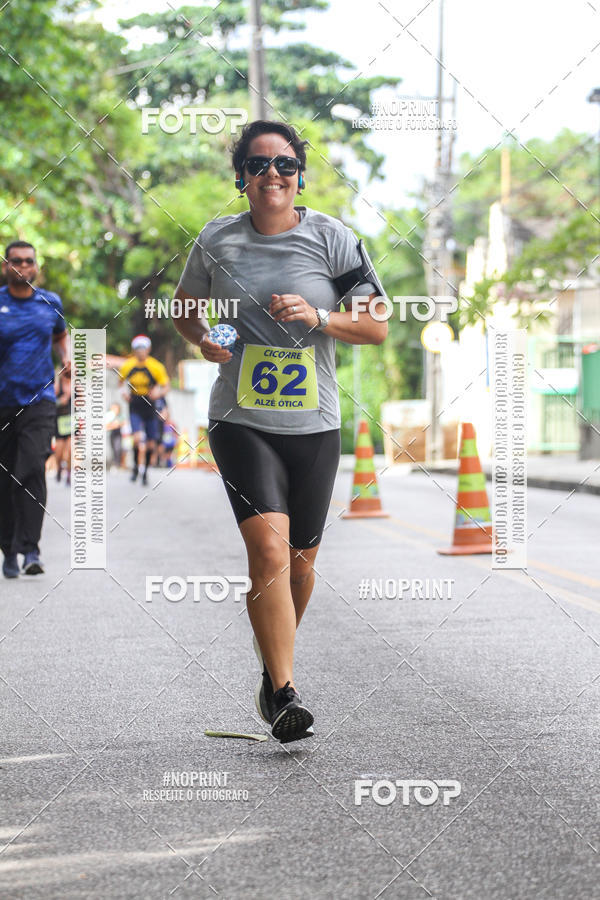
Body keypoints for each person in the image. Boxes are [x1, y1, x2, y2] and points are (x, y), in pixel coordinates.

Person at [174, 120, 387, 743]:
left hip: (314, 424)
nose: (273, 175)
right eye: (259, 164)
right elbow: (186, 310)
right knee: (268, 551)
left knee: (299, 563)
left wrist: (321, 315)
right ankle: (288, 691)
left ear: (301, 176)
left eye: (286, 165)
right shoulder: (216, 240)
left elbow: (376, 325)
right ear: (240, 177)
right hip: (241, 421)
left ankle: (271, 679)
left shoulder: (333, 238)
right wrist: (205, 338)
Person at [0, 240, 71, 577]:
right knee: (4, 477)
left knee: (30, 470)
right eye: (17, 261)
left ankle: (30, 549)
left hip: (39, 401)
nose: (24, 267)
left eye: (29, 261)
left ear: (36, 265)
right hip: (2, 402)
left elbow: (60, 337)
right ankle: (8, 550)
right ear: (6, 266)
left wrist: (67, 358)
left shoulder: (50, 302)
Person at [118, 336, 169, 485]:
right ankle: (135, 467)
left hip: (150, 405)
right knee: (137, 438)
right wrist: (124, 394)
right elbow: (120, 382)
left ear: (148, 349)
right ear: (134, 350)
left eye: (143, 348)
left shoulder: (156, 366)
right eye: (138, 349)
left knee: (151, 443)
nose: (141, 352)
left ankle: (145, 471)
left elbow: (166, 386)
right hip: (135, 404)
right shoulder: (128, 365)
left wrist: (158, 393)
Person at [54, 368, 72, 485]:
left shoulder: (76, 386)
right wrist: (61, 401)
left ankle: (69, 475)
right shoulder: (57, 386)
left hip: (71, 420)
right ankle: (59, 468)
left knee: (70, 450)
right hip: (59, 421)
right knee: (59, 452)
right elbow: (51, 401)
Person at [105, 402, 124, 470]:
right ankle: (114, 463)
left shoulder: (120, 416)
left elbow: (123, 423)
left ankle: (117, 464)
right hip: (111, 434)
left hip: (118, 434)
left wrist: (116, 425)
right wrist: (113, 425)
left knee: (118, 448)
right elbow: (106, 426)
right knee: (113, 449)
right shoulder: (109, 415)